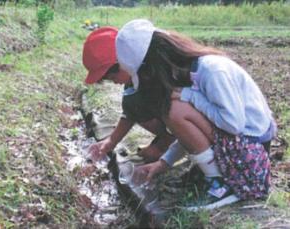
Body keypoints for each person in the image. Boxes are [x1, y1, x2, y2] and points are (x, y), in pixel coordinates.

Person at [115, 19, 277, 206]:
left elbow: (233, 124)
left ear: (152, 64)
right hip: (240, 148)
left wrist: (190, 96)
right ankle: (214, 178)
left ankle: (220, 185)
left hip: (251, 158)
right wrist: (163, 164)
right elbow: (190, 132)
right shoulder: (190, 73)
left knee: (174, 109)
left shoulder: (213, 71)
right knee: (174, 109)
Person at [82, 26, 175, 163]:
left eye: (113, 77)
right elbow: (129, 113)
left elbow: (179, 114)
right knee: (133, 103)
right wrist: (110, 141)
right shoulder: (133, 74)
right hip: (176, 122)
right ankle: (168, 140)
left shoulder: (160, 70)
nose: (114, 82)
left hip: (197, 122)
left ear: (121, 61)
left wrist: (160, 147)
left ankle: (172, 142)